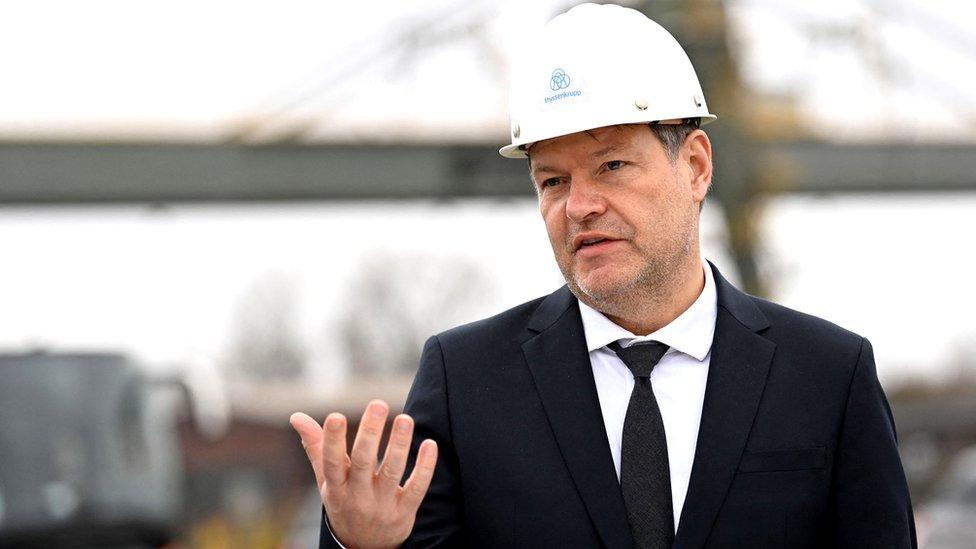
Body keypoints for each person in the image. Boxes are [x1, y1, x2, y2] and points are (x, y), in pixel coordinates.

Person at [290, 4, 917, 548]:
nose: (579, 205)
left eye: (612, 165)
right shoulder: (466, 381)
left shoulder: (829, 376)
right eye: (553, 181)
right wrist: (364, 546)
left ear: (696, 166)